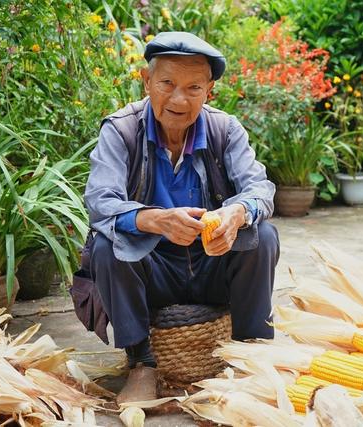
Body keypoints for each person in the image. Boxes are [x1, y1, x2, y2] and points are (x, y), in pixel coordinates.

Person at [83, 31, 279, 404]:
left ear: (209, 92)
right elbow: (100, 201)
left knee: (262, 235)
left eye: (193, 87)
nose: (178, 98)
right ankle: (142, 363)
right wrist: (155, 220)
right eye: (167, 83)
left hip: (212, 266)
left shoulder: (225, 129)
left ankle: (252, 354)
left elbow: (260, 188)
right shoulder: (122, 129)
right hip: (152, 273)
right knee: (107, 246)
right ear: (146, 82)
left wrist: (236, 213)